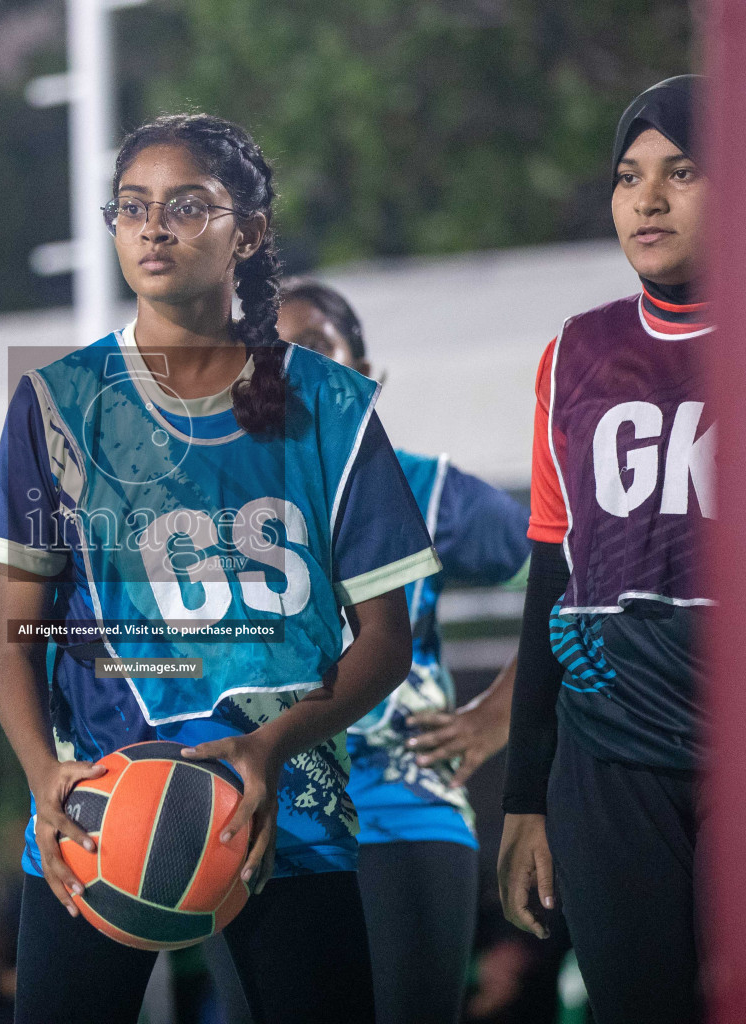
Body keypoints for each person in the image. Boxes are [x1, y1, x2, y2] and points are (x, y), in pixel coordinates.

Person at [0, 112, 441, 1024]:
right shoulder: (55, 402)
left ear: (251, 231)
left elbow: (384, 642)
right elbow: (14, 639)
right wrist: (43, 774)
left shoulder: (332, 405)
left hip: (282, 806)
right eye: (133, 207)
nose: (154, 227)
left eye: (187, 206)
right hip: (99, 809)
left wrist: (269, 748)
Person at [497, 75, 711, 1024]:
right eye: (629, 176)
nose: (648, 199)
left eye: (683, 171)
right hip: (608, 761)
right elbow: (553, 576)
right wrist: (525, 798)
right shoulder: (572, 355)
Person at [279, 279, 530, 1024]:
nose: (292, 369)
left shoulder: (428, 492)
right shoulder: (217, 508)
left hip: (402, 805)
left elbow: (576, 574)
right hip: (263, 815)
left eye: (317, 348)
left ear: (366, 375)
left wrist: (497, 716)